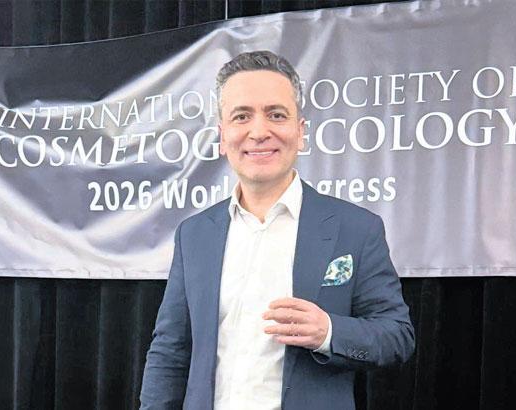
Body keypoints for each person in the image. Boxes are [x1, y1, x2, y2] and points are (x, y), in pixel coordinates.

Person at [140, 50, 414, 410]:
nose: (259, 132)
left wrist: (328, 332)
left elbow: (397, 336)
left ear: (300, 132)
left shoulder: (356, 229)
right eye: (242, 116)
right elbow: (170, 350)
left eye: (276, 115)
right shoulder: (194, 235)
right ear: (222, 136)